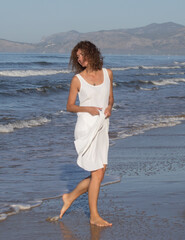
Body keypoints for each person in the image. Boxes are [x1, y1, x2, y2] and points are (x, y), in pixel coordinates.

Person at [59, 41, 114, 227]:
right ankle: (94, 216)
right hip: (86, 127)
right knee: (97, 172)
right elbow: (69, 106)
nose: (79, 59)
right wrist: (88, 108)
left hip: (102, 127)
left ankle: (70, 196)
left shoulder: (108, 74)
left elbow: (111, 100)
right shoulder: (77, 79)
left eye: (81, 55)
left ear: (91, 53)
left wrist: (109, 108)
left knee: (100, 172)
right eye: (77, 57)